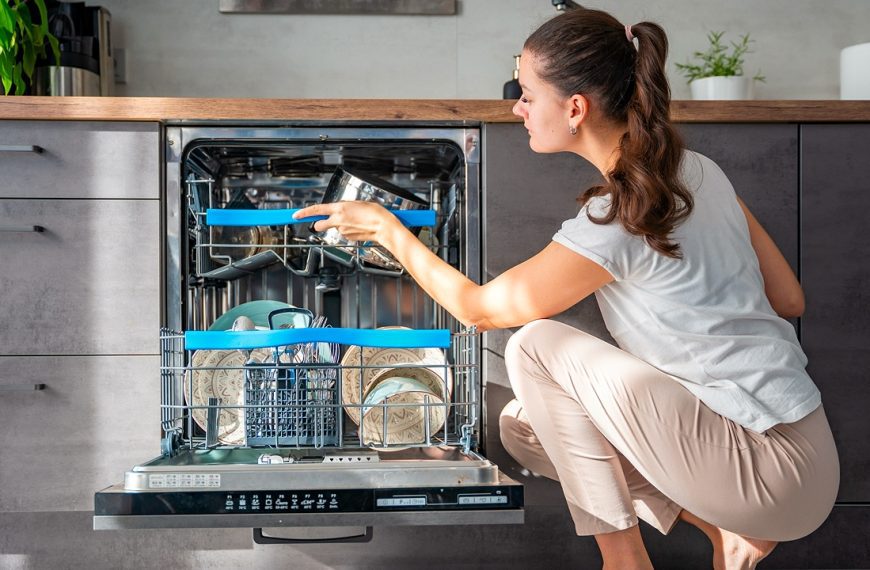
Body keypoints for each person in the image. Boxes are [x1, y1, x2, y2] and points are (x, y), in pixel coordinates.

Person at [294, 7, 839, 570]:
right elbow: (788, 300)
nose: (517, 108)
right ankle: (725, 530)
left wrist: (388, 229)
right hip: (807, 454)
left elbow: (481, 311)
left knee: (535, 347)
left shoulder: (617, 217)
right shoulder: (698, 171)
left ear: (575, 108)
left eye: (528, 94)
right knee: (527, 428)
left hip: (764, 468)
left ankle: (624, 561)